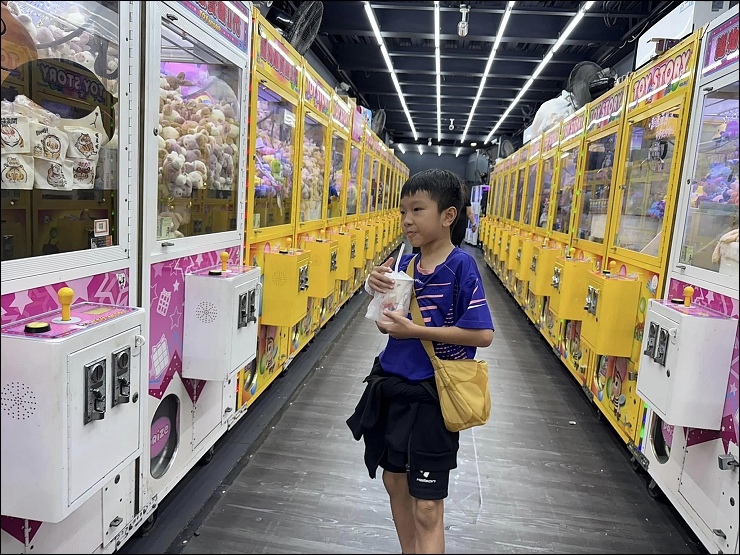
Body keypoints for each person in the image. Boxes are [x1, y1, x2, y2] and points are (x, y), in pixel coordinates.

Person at [347, 169, 494, 554]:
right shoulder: (406, 267)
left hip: (433, 397)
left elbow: (483, 334)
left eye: (417, 209)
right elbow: (386, 326)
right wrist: (377, 293)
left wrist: (417, 331)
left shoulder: (462, 267)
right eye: (403, 211)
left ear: (448, 215)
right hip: (393, 389)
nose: (407, 220)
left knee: (428, 506)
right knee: (394, 482)